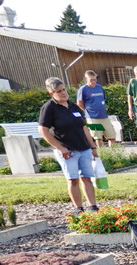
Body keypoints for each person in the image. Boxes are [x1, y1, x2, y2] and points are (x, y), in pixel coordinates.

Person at [38, 77, 100, 214]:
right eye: (58, 91)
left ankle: (93, 207)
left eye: (64, 90)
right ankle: (79, 208)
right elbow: (43, 130)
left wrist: (93, 147)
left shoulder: (73, 106)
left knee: (87, 178)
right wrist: (60, 148)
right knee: (73, 180)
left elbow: (84, 128)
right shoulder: (49, 108)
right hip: (68, 151)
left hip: (83, 148)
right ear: (51, 94)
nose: (63, 93)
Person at [75, 70, 115, 148]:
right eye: (91, 80)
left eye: (95, 79)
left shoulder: (99, 87)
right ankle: (103, 154)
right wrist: (87, 110)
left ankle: (113, 153)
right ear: (86, 79)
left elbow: (103, 99)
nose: (93, 82)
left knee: (111, 136)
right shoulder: (83, 89)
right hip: (92, 118)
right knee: (98, 138)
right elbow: (79, 103)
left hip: (104, 116)